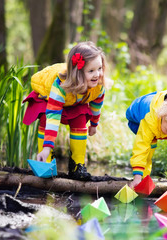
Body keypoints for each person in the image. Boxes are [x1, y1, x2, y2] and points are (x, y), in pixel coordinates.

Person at [22, 41, 106, 181]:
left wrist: (94, 125)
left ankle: (77, 165)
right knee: (45, 117)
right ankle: (46, 161)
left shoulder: (98, 85)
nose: (97, 74)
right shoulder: (59, 86)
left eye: (99, 68)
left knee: (79, 119)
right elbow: (53, 117)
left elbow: (96, 106)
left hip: (75, 100)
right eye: (91, 71)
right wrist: (47, 147)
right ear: (78, 73)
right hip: (49, 98)